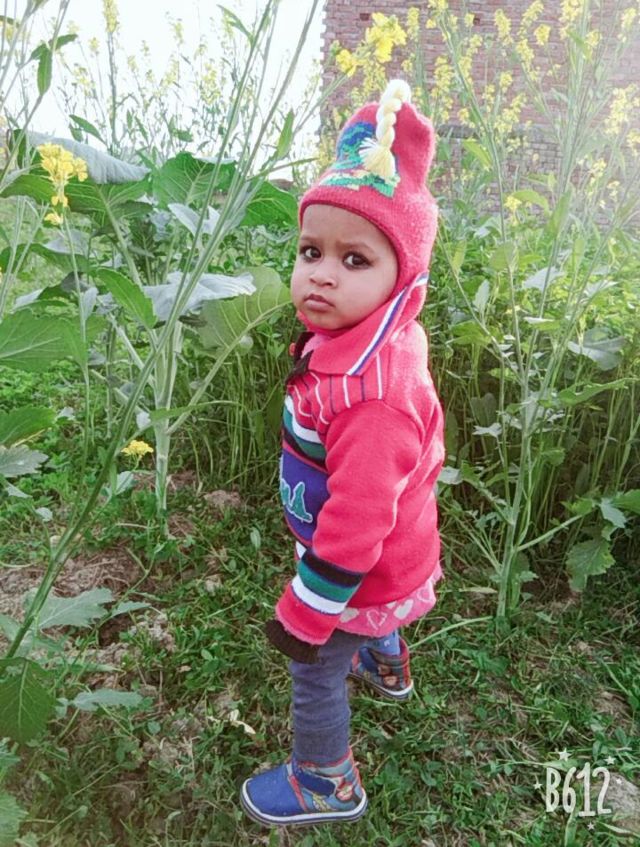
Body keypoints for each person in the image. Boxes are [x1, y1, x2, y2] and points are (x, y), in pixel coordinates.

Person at [240, 78, 445, 827]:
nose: (322, 272)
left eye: (355, 260)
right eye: (310, 251)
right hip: (392, 559)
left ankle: (326, 781)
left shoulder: (371, 397)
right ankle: (387, 661)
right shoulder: (364, 340)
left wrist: (308, 608)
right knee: (369, 620)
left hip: (357, 569)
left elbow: (357, 522)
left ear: (403, 280)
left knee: (315, 666)